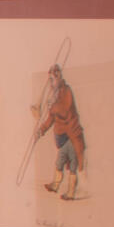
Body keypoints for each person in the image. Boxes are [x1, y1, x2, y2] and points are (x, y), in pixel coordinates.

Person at [35, 60, 86, 201]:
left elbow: (64, 110)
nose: (51, 83)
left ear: (59, 78)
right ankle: (56, 185)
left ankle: (70, 192)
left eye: (53, 79)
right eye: (50, 80)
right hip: (62, 137)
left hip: (72, 135)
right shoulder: (54, 94)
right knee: (59, 163)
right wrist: (42, 130)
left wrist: (52, 105)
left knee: (72, 165)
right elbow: (51, 117)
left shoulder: (66, 91)